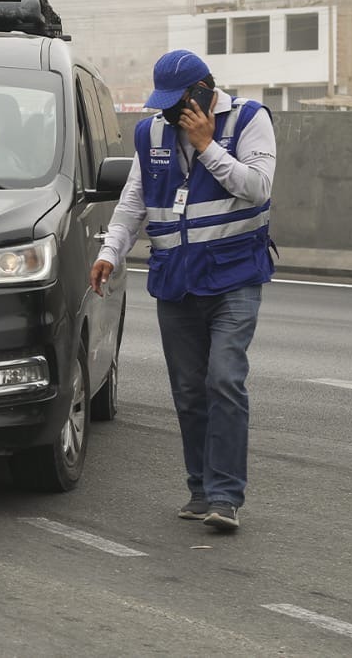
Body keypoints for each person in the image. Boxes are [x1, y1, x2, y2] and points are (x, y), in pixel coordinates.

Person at [89, 49, 276, 531]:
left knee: (224, 380)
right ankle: (200, 490)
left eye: (177, 103)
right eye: (164, 105)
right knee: (190, 390)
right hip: (175, 279)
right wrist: (111, 250)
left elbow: (257, 188)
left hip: (234, 276)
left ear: (203, 92)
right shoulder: (151, 132)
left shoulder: (250, 120)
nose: (169, 114)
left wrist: (208, 145)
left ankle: (226, 496)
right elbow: (135, 198)